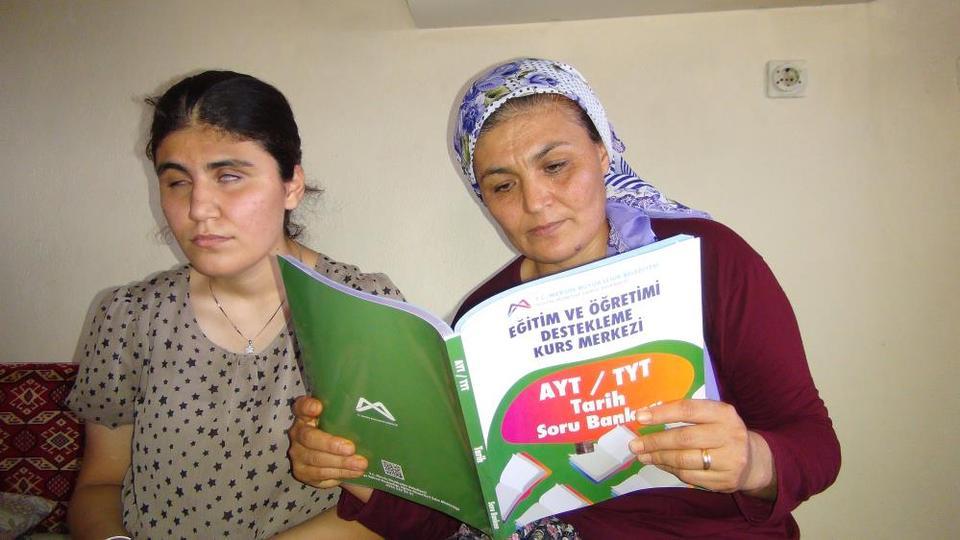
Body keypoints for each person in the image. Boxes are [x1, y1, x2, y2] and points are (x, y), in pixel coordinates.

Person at [287, 58, 840, 538]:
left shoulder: (706, 258)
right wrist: (355, 468)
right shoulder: (483, 320)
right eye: (503, 185)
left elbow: (814, 445)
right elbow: (463, 520)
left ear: (602, 153)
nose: (536, 202)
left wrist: (752, 462)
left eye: (555, 166)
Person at [65, 71, 397, 539]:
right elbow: (100, 483)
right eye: (177, 182)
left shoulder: (365, 309)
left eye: (229, 177)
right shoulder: (130, 317)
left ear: (291, 185)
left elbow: (396, 506)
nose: (199, 208)